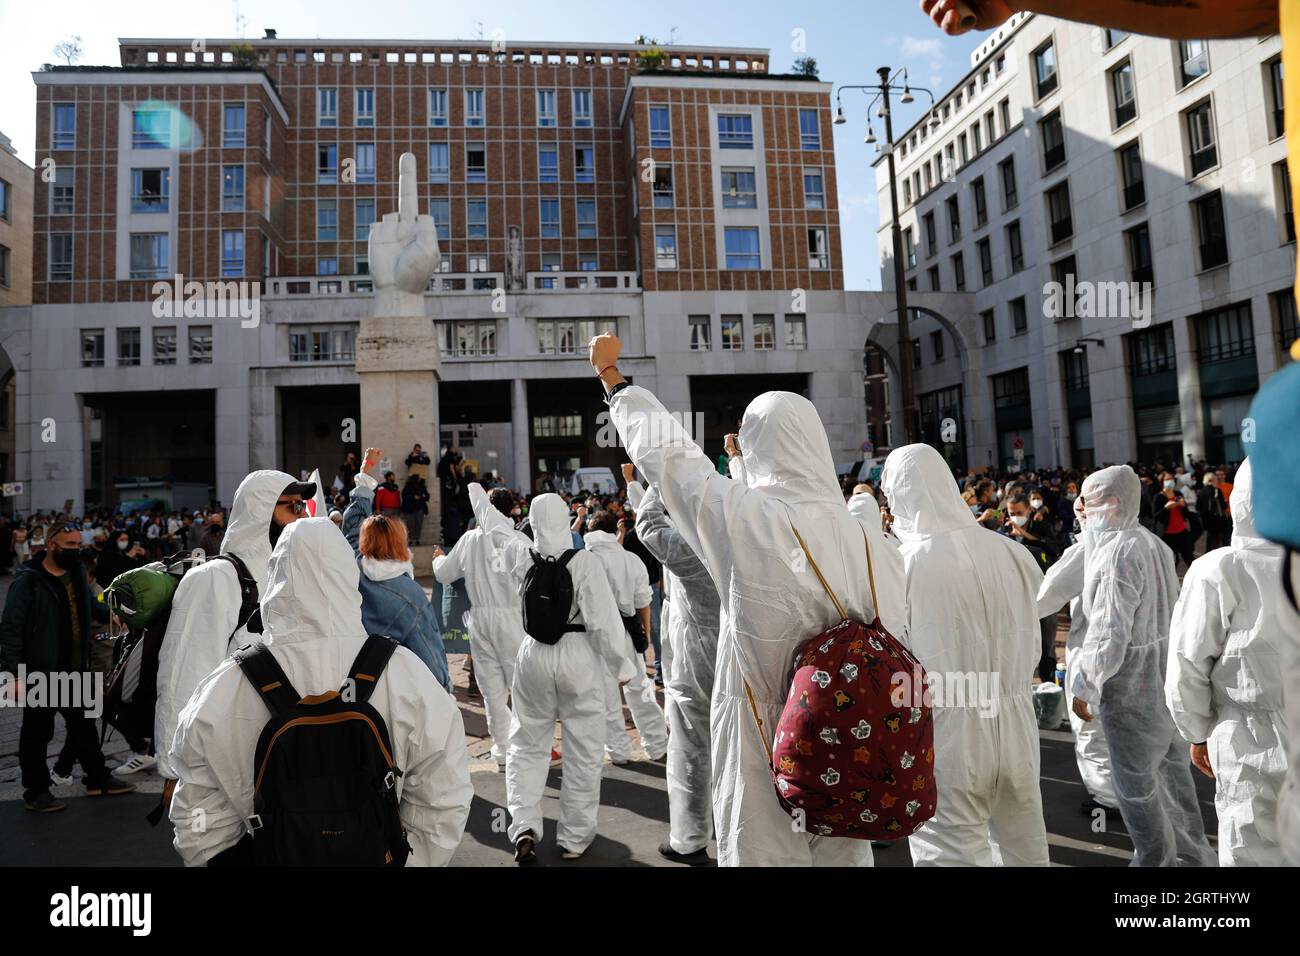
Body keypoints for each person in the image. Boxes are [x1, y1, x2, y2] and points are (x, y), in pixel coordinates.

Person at [593, 333, 876, 866]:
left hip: (765, 731)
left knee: (763, 849)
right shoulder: (867, 534)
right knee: (845, 853)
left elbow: (674, 461)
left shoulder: (750, 521)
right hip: (849, 726)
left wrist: (616, 385)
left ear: (752, 446)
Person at [168, 517, 472, 866]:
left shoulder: (224, 688)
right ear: (347, 575)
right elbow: (444, 795)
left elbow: (197, 818)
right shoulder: (404, 673)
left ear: (275, 578)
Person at [881, 444, 1050, 866]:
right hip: (1015, 723)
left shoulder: (904, 564)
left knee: (950, 853)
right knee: (1025, 847)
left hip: (947, 732)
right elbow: (1034, 640)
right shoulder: (1011, 552)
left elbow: (893, 662)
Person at [467, 483, 634, 863]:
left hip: (533, 654)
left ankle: (524, 824)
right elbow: (604, 623)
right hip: (579, 656)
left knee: (526, 744)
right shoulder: (585, 562)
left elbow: (492, 524)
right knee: (584, 751)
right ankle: (574, 837)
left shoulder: (520, 553)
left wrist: (477, 492)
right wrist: (621, 667)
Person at [1071, 465, 1217, 867]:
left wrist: (1087, 682)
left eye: (1091, 501)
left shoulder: (1115, 553)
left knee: (1136, 788)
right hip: (1162, 684)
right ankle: (1196, 857)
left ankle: (1155, 861)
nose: (1083, 510)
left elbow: (1109, 629)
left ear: (1114, 502)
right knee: (1174, 780)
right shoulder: (1152, 544)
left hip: (1130, 693)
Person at [154, 471, 315, 786]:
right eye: (292, 507)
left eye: (302, 507)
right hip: (225, 761)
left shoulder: (291, 576)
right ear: (260, 510)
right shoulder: (215, 578)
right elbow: (182, 677)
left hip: (283, 754)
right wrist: (174, 769)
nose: (301, 517)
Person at [1166, 459, 1288, 865]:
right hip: (1251, 728)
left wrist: (1196, 731)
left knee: (1251, 847)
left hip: (1247, 740)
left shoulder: (1219, 569)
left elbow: (1188, 663)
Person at [0, 525, 136, 811]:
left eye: (77, 544)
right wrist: (10, 675)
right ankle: (36, 790)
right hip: (42, 670)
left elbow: (90, 607)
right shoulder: (28, 581)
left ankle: (97, 777)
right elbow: (11, 629)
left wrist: (115, 614)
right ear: (51, 544)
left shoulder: (76, 575)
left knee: (84, 727)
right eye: (68, 544)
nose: (75, 549)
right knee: (37, 733)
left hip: (77, 667)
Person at [626, 468, 722, 865]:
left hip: (696, 659)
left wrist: (660, 476)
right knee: (739, 746)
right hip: (739, 655)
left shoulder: (690, 546)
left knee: (690, 747)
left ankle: (689, 837)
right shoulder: (732, 535)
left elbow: (649, 524)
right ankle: (740, 834)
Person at [432, 483, 531, 769]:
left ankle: (502, 748)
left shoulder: (470, 540)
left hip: (480, 620)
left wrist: (438, 559)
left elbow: (445, 574)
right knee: (521, 684)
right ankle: (525, 745)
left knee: (491, 689)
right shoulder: (516, 539)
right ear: (511, 508)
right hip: (512, 617)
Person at [343, 448, 451, 692]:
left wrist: (364, 473)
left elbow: (353, 521)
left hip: (351, 676)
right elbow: (428, 648)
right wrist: (445, 687)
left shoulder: (350, 564)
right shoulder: (410, 593)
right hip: (394, 685)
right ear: (399, 543)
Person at [1037, 529, 1120, 816]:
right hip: (1136, 659)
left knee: (1090, 726)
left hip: (1093, 651)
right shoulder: (1150, 545)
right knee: (1123, 730)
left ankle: (1107, 797)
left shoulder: (1089, 548)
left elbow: (1046, 594)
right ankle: (1128, 787)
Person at [584, 509, 669, 764]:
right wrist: (642, 636)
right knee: (640, 690)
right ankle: (657, 744)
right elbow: (643, 601)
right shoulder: (631, 560)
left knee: (607, 697)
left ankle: (618, 751)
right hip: (628, 631)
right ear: (615, 531)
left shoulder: (585, 560)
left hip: (595, 635)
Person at [1004, 492, 1061, 683]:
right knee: (1018, 648)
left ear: (1028, 509)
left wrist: (1025, 535)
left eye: (1019, 512)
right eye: (1011, 513)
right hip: (1014, 597)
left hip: (1043, 594)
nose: (1015, 517)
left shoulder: (1042, 527)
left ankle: (1049, 687)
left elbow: (1053, 551)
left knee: (1047, 646)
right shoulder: (1003, 533)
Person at [1155, 473, 1195, 571]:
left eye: (1172, 479)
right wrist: (1166, 508)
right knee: (1173, 560)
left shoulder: (1178, 494)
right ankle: (1172, 582)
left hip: (1181, 532)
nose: (1170, 481)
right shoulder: (1159, 497)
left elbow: (1186, 514)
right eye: (1167, 479)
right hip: (1167, 534)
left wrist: (1183, 506)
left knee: (1189, 558)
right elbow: (1156, 516)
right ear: (1162, 482)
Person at [401, 474, 429, 546]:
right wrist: (413, 497)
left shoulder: (422, 486)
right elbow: (404, 496)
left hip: (420, 508)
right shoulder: (408, 486)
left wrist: (424, 496)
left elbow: (427, 496)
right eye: (418, 478)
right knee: (410, 525)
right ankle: (410, 539)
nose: (420, 479)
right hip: (409, 509)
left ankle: (417, 539)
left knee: (419, 524)